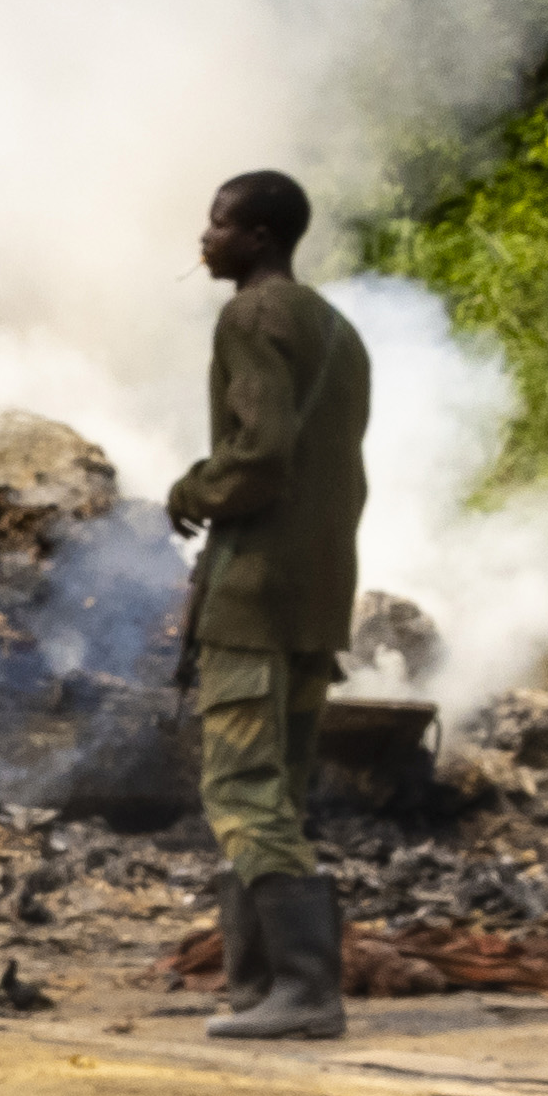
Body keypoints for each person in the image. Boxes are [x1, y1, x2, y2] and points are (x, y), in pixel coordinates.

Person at [170, 164, 378, 1043]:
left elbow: (261, 457)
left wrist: (194, 488)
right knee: (279, 794)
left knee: (243, 792)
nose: (204, 239)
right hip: (316, 592)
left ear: (258, 237)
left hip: (254, 598)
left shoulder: (250, 316)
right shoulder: (336, 327)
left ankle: (302, 991)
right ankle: (256, 987)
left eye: (219, 225)